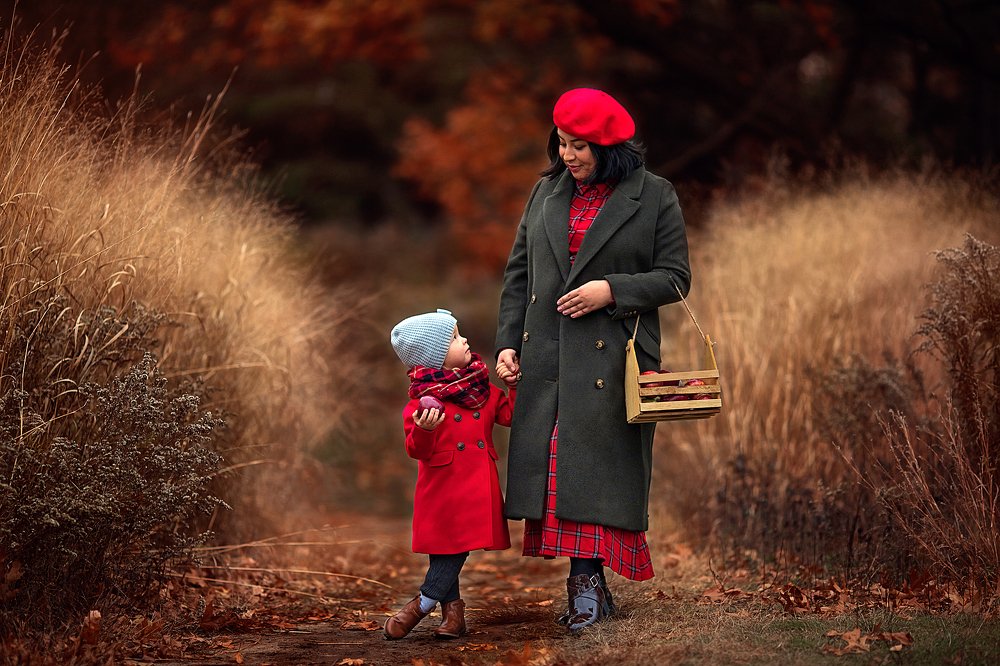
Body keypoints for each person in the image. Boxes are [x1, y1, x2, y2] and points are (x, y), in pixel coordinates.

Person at [495, 88, 691, 632]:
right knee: (559, 465)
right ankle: (586, 585)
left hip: (616, 358)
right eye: (561, 143)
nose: (567, 156)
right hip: (549, 356)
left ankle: (587, 586)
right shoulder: (545, 193)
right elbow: (518, 276)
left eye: (579, 146)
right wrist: (508, 344)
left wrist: (612, 290)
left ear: (610, 148)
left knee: (594, 471)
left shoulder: (654, 196)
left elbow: (676, 278)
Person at [385, 308, 519, 640]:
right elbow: (417, 450)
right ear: (435, 356)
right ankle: (453, 617)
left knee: (455, 546)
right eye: (455, 338)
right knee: (445, 546)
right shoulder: (420, 404)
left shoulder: (482, 389)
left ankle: (422, 604)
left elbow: (511, 415)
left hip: (475, 486)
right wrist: (425, 430)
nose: (465, 340)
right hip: (440, 486)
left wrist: (511, 386)